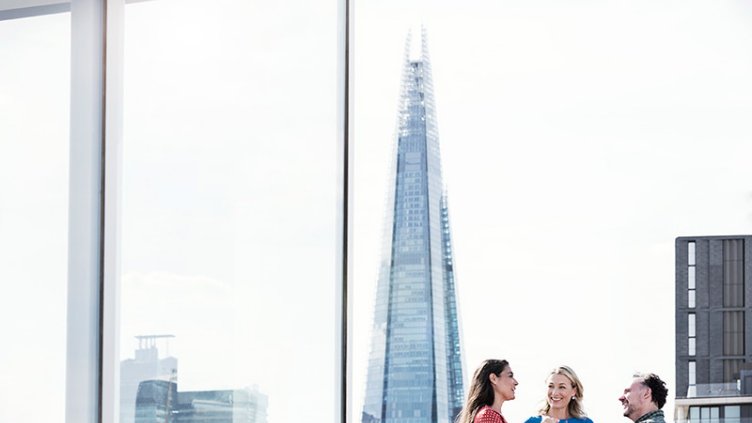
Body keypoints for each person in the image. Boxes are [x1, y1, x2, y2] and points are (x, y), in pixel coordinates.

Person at [456, 359, 518, 423]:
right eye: (510, 376)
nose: (516, 382)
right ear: (493, 378)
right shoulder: (488, 416)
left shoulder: (490, 415)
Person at [524, 366, 593, 423]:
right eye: (551, 386)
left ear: (574, 391)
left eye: (562, 387)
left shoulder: (586, 422)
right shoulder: (532, 421)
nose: (554, 393)